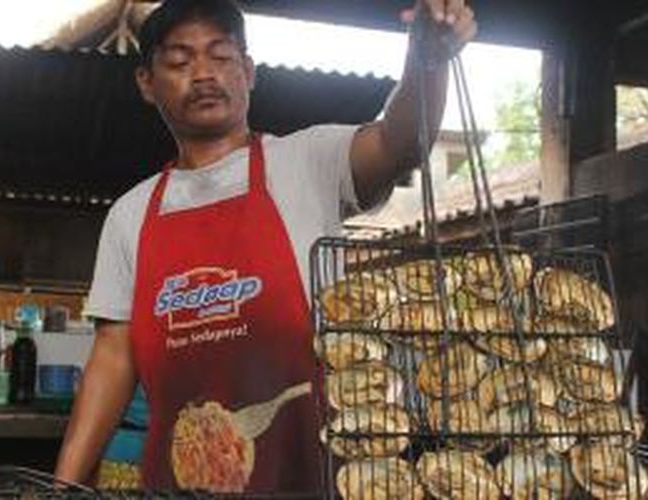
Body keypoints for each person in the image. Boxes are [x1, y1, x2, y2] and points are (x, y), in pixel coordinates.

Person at [55, 0, 476, 494]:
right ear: (147, 83)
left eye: (221, 56)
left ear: (249, 72)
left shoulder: (308, 161)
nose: (204, 74)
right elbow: (113, 358)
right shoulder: (131, 214)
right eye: (180, 61)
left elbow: (401, 143)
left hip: (316, 475)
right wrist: (60, 488)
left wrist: (427, 58)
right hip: (181, 479)